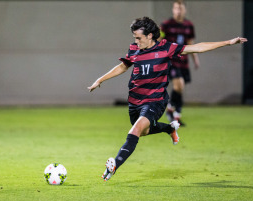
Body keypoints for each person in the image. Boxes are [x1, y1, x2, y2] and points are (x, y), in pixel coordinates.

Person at [87, 16, 247, 181]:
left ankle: (115, 165)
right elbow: (123, 66)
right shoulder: (134, 49)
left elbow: (197, 48)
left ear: (150, 36)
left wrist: (228, 42)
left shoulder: (166, 48)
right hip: (135, 100)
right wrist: (100, 80)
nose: (136, 41)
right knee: (143, 131)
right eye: (134, 38)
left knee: (135, 130)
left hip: (155, 100)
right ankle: (169, 129)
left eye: (139, 38)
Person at [160, 0, 200, 126]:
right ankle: (174, 112)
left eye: (180, 8)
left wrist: (195, 59)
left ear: (184, 10)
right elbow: (159, 40)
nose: (178, 11)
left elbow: (190, 43)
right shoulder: (166, 25)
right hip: (171, 61)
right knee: (179, 85)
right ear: (173, 10)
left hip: (184, 61)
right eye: (176, 8)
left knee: (180, 89)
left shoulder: (188, 25)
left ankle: (173, 111)